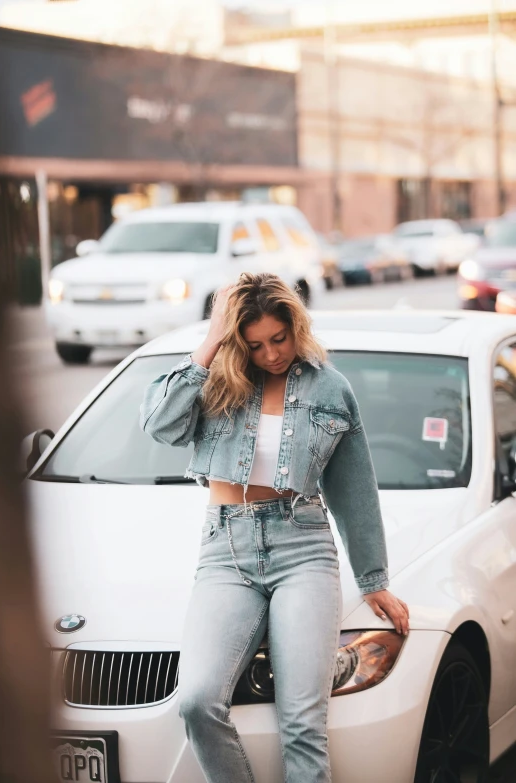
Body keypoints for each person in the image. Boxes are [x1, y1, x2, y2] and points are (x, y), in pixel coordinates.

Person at [140, 272, 409, 783]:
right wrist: (212, 339)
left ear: (296, 325)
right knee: (197, 700)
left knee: (302, 720)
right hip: (226, 549)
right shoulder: (217, 381)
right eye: (255, 344)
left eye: (279, 339)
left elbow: (354, 489)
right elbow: (158, 424)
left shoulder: (330, 387)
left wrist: (374, 581)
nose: (271, 354)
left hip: (302, 546)